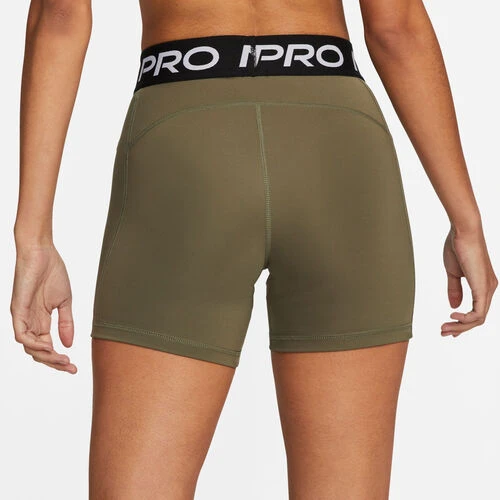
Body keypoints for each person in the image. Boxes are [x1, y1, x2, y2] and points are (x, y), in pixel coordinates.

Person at [10, 0, 497, 498]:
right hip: (338, 144)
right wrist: (466, 223)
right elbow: (396, 28)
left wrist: (33, 239)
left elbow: (60, 16)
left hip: (184, 133)